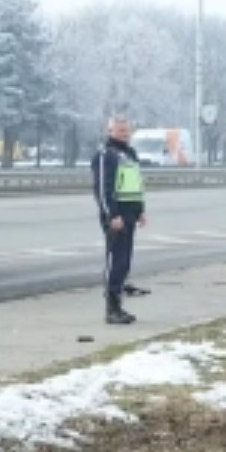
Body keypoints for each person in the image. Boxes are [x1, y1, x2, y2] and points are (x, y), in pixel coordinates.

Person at [91, 114, 147, 324]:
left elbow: (135, 185)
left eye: (126, 130)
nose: (125, 134)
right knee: (115, 260)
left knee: (124, 261)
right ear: (110, 131)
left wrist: (140, 210)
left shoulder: (129, 154)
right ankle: (111, 308)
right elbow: (103, 189)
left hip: (130, 214)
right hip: (116, 216)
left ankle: (119, 304)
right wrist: (111, 214)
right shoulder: (107, 154)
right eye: (120, 130)